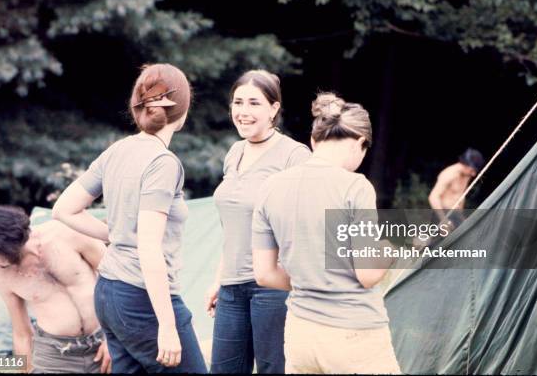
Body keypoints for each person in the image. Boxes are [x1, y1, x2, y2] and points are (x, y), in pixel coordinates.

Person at [52, 63, 207, 373]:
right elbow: (149, 248)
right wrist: (167, 326)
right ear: (183, 112)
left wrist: (116, 234)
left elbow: (63, 209)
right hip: (141, 299)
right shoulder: (163, 162)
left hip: (108, 292)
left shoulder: (118, 150)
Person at [251, 93, 401, 374]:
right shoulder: (355, 187)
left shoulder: (270, 187)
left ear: (313, 140)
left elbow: (264, 274)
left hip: (300, 333)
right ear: (360, 142)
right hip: (353, 334)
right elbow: (367, 274)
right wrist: (388, 251)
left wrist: (312, 280)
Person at [206, 69, 311, 373]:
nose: (243, 112)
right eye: (238, 103)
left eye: (254, 103)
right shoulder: (234, 152)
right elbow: (233, 228)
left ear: (274, 108)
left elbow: (304, 228)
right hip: (231, 288)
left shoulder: (294, 156)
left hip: (273, 287)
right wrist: (218, 279)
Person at [0, 205, 112, 373]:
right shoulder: (3, 277)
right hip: (54, 355)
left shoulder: (66, 234)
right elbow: (22, 333)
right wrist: (26, 370)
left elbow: (118, 279)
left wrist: (113, 338)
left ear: (6, 245)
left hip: (104, 337)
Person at [428, 148, 485, 228]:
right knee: (438, 239)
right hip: (442, 213)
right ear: (465, 164)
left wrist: (461, 218)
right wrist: (443, 220)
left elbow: (460, 196)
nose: (473, 174)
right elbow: (433, 197)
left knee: (467, 234)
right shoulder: (449, 174)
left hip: (456, 214)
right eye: (472, 170)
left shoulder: (466, 175)